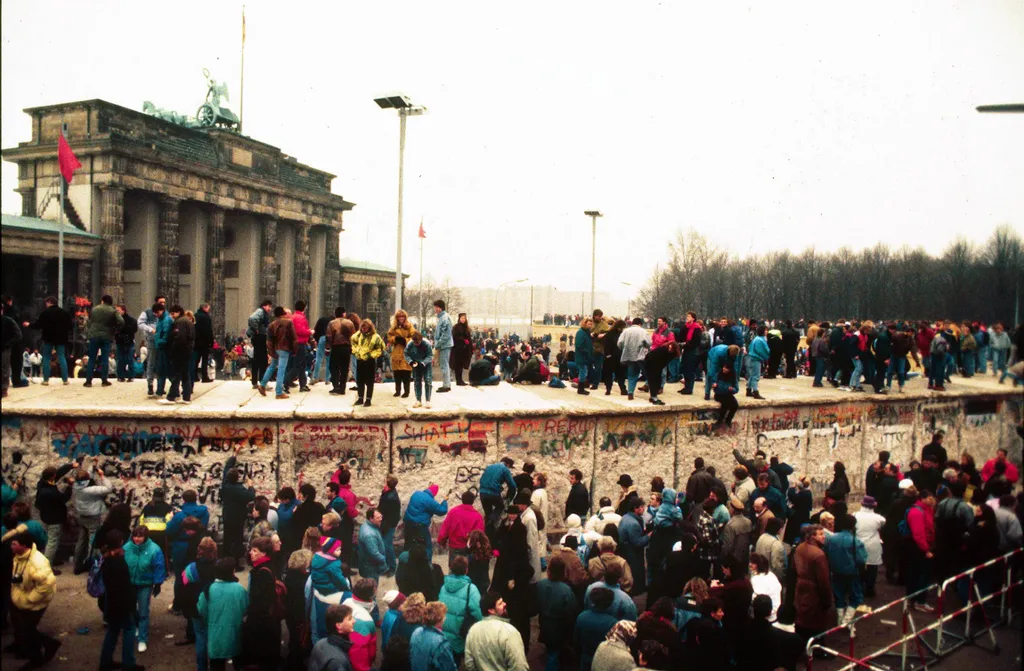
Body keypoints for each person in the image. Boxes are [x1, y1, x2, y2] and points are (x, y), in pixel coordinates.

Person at [9, 530, 61, 667]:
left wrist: (29, 599)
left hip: (34, 603)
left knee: (27, 630)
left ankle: (41, 653)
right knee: (27, 629)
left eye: (14, 544)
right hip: (22, 600)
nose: (11, 547)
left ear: (24, 546)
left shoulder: (37, 563)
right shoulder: (19, 556)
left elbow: (47, 585)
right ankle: (43, 649)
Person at [199, 558, 249, 671]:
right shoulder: (240, 589)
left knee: (216, 666)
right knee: (239, 664)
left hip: (215, 636)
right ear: (231, 572)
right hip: (235, 634)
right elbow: (246, 608)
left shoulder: (209, 589)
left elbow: (201, 609)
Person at [123, 526, 168, 653]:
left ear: (146, 537)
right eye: (135, 536)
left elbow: (159, 567)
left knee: (143, 611)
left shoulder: (154, 549)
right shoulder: (126, 548)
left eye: (140, 536)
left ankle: (142, 638)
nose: (137, 539)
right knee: (131, 609)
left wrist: (157, 583)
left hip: (145, 584)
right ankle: (136, 626)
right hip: (130, 584)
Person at [463, 591, 529, 671]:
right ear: (491, 610)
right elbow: (519, 666)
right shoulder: (509, 632)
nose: (505, 604)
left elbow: (469, 662)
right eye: (500, 603)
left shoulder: (473, 630)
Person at [438, 555, 483, 663]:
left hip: (444, 633)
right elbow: (478, 612)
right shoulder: (471, 588)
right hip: (461, 634)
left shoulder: (443, 587)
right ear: (466, 570)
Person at [72, 460, 113, 572]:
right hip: (93, 517)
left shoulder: (75, 486)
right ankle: (91, 564)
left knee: (81, 541)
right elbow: (109, 488)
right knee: (93, 542)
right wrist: (102, 476)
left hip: (81, 516)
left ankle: (77, 564)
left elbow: (85, 477)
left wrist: (93, 466)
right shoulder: (90, 490)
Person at [33, 463, 75, 570]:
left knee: (50, 541)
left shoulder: (43, 483)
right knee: (52, 543)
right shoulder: (50, 492)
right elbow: (64, 498)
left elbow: (58, 473)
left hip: (46, 517)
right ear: (51, 477)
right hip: (54, 520)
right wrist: (70, 486)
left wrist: (70, 466)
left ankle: (50, 560)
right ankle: (47, 567)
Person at [794, 524, 831, 642]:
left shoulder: (800, 548)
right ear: (812, 537)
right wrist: (827, 600)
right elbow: (823, 581)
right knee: (816, 622)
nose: (824, 537)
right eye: (821, 534)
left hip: (800, 588)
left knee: (802, 618)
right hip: (814, 592)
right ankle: (817, 649)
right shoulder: (819, 555)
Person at [220, 448, 256, 566]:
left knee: (227, 539)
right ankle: (235, 564)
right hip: (238, 518)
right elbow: (251, 496)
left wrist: (234, 453)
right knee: (237, 540)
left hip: (227, 516)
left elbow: (226, 468)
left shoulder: (225, 485)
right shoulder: (239, 490)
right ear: (237, 478)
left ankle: (225, 561)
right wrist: (250, 486)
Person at [573, 587, 620, 671]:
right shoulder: (613, 623)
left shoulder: (582, 617)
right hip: (604, 662)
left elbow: (576, 640)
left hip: (586, 658)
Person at [30, 296, 73, 385]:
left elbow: (38, 325)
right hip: (61, 338)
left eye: (46, 303)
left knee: (46, 357)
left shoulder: (45, 313)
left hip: (48, 338)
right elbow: (70, 327)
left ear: (49, 302)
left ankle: (46, 380)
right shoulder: (64, 313)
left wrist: (29, 325)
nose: (46, 305)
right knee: (61, 357)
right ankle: (65, 379)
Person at [84, 294, 124, 387]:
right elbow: (121, 321)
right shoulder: (113, 310)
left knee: (92, 358)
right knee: (105, 358)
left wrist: (90, 331)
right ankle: (104, 380)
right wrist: (116, 329)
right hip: (107, 336)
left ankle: (88, 381)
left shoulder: (95, 309)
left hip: (94, 335)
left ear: (102, 300)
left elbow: (89, 322)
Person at [906, 490, 937, 612]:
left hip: (921, 547)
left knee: (916, 574)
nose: (932, 500)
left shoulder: (926, 510)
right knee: (921, 575)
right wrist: (926, 550)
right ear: (922, 498)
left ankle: (913, 599)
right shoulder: (917, 512)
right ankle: (919, 601)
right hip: (919, 548)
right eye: (930, 498)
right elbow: (918, 534)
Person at [341, 578, 380, 671]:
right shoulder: (364, 621)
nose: (377, 591)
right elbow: (358, 652)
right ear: (370, 596)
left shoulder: (347, 601)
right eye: (375, 590)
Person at [160, 305, 196, 404]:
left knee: (176, 374)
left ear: (178, 312)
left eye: (173, 314)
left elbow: (179, 338)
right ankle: (186, 397)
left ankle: (171, 397)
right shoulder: (188, 321)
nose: (172, 316)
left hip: (180, 351)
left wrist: (173, 350)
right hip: (187, 351)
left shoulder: (179, 322)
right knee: (185, 374)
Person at [258, 306, 296, 399]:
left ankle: (262, 385)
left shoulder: (272, 324)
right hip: (285, 349)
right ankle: (279, 392)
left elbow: (269, 341)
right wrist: (295, 350)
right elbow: (294, 338)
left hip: (275, 349)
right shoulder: (289, 322)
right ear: (283, 313)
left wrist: (272, 353)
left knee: (271, 367)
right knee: (281, 370)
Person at [403, 484, 449, 561]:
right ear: (434, 493)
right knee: (427, 546)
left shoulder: (416, 493)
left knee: (408, 544)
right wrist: (445, 501)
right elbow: (442, 511)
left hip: (408, 523)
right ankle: (427, 566)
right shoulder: (430, 501)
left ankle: (405, 564)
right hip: (420, 526)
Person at [853, 496, 886, 597]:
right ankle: (870, 589)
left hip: (858, 543)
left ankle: (859, 588)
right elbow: (882, 525)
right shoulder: (879, 518)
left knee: (859, 566)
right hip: (873, 544)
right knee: (872, 567)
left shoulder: (855, 515)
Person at [309, 604, 356, 671]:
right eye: (350, 619)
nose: (354, 621)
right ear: (339, 626)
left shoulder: (320, 643)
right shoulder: (338, 662)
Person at [438, 491, 485, 559]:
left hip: (454, 547)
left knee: (454, 568)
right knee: (468, 568)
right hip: (470, 548)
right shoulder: (478, 516)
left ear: (462, 500)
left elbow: (445, 528)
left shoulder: (453, 512)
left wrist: (442, 541)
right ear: (473, 501)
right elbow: (480, 534)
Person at [352, 318, 385, 407]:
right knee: (360, 380)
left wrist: (370, 355)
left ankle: (368, 399)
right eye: (362, 328)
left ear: (370, 328)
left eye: (365, 328)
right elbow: (353, 344)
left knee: (369, 381)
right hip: (360, 360)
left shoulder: (376, 337)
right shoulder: (358, 335)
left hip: (370, 361)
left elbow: (380, 348)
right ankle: (360, 398)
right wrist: (356, 352)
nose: (363, 330)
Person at [479, 458, 517, 534]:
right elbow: (512, 485)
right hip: (493, 493)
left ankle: (488, 533)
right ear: (508, 464)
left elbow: (482, 479)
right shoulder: (505, 469)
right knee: (500, 507)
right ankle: (491, 521)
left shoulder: (489, 467)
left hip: (482, 493)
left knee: (488, 513)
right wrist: (510, 497)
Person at [619, 317, 652, 400]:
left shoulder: (626, 331)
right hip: (640, 356)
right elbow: (649, 343)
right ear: (640, 324)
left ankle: (630, 392)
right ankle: (653, 393)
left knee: (631, 374)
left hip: (629, 356)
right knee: (648, 374)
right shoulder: (643, 331)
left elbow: (619, 343)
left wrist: (624, 349)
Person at [326, 307, 356, 395]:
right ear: (344, 313)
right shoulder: (349, 323)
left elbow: (329, 336)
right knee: (344, 368)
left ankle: (335, 386)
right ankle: (342, 388)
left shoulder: (331, 323)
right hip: (346, 348)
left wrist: (328, 348)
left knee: (333, 367)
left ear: (335, 313)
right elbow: (353, 336)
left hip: (335, 348)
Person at [358, 507, 388, 584]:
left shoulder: (368, 525)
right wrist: (383, 559)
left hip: (369, 564)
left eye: (381, 516)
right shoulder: (369, 535)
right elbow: (374, 553)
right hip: (370, 568)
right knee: (371, 589)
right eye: (378, 517)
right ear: (371, 519)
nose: (381, 519)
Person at [388, 310, 415, 397]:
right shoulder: (394, 327)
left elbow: (414, 337)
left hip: (406, 350)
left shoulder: (409, 326)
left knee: (406, 373)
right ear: (397, 317)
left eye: (403, 316)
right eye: (399, 316)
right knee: (397, 373)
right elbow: (389, 336)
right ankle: (398, 391)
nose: (401, 318)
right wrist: (395, 339)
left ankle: (406, 391)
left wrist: (405, 340)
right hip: (396, 351)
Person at [643, 340, 679, 405]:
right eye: (669, 347)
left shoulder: (672, 354)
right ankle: (654, 397)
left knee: (656, 381)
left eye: (671, 349)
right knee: (653, 381)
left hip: (657, 365)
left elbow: (664, 362)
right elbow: (651, 357)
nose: (669, 349)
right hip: (651, 363)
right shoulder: (663, 349)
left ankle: (653, 397)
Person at [247, 299, 273, 388]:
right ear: (264, 306)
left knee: (257, 359)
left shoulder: (262, 312)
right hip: (259, 338)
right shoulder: (260, 312)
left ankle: (255, 381)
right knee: (262, 360)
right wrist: (256, 329)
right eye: (269, 306)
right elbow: (252, 318)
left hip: (259, 337)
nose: (270, 308)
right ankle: (262, 381)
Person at [378, 476, 401, 576]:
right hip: (387, 522)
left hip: (388, 524)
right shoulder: (387, 492)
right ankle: (387, 565)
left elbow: (386, 512)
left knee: (387, 545)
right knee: (385, 544)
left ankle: (392, 567)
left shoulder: (391, 497)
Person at [405, 331, 434, 408]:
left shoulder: (427, 344)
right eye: (415, 343)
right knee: (417, 381)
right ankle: (418, 400)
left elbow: (430, 355)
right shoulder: (410, 344)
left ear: (421, 340)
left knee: (428, 381)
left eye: (418, 343)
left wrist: (423, 363)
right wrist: (410, 362)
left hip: (426, 364)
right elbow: (406, 354)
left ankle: (428, 400)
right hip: (416, 363)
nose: (416, 344)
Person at [433, 300, 454, 392]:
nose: (435, 309)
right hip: (444, 344)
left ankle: (446, 385)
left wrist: (438, 344)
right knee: (444, 365)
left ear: (441, 308)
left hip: (444, 345)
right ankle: (447, 384)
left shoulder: (444, 318)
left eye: (436, 307)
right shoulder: (443, 317)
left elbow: (446, 334)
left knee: (444, 365)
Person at [191, 303, 214, 383]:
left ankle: (194, 376)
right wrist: (211, 342)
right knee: (204, 360)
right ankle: (204, 377)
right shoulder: (206, 317)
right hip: (204, 342)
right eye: (208, 308)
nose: (209, 310)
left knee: (196, 360)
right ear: (204, 308)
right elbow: (208, 331)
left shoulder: (195, 315)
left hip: (196, 342)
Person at [574, 317, 595, 395]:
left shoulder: (586, 333)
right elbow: (579, 345)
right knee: (583, 373)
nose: (590, 325)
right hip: (582, 357)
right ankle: (580, 389)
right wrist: (588, 352)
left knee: (584, 372)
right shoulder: (581, 333)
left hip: (585, 357)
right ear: (584, 323)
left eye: (591, 324)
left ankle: (581, 388)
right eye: (589, 323)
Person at [451, 313, 473, 387]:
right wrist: (463, 341)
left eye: (464, 318)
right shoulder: (456, 327)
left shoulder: (466, 328)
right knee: (458, 365)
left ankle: (460, 380)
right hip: (458, 349)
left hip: (465, 350)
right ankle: (458, 380)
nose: (463, 319)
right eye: (462, 318)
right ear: (459, 319)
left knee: (461, 365)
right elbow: (455, 337)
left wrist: (469, 346)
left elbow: (469, 338)